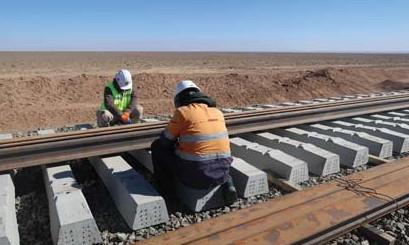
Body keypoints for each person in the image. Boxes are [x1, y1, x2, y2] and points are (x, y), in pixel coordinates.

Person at [151, 80, 237, 204]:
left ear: (179, 99)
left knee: (157, 146)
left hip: (195, 177)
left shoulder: (182, 112)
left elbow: (165, 141)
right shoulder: (218, 112)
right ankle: (228, 182)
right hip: (222, 172)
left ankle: (167, 193)